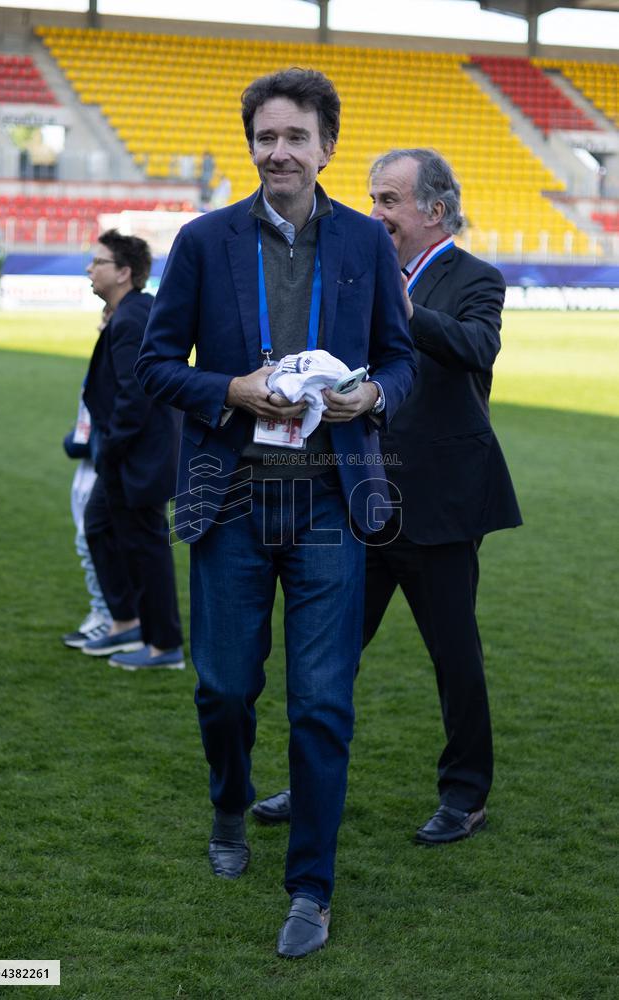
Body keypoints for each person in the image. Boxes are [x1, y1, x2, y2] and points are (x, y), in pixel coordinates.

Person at [135, 69, 415, 958]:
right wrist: (231, 389)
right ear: (250, 144)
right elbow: (153, 365)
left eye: (296, 137)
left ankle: (311, 887)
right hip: (231, 498)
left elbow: (402, 361)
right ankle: (229, 802)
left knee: (322, 703)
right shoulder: (203, 239)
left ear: (327, 146)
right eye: (266, 137)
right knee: (224, 687)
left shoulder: (367, 242)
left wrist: (372, 395)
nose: (280, 152)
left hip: (331, 498)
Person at [252, 148, 522, 846]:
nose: (374, 212)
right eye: (372, 198)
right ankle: (310, 782)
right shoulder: (360, 271)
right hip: (360, 497)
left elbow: (477, 348)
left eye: (389, 200)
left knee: (454, 657)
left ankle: (465, 795)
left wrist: (405, 308)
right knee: (330, 656)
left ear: (436, 211)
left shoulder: (476, 278)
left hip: (441, 505)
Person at [81, 229, 185, 671]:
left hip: (137, 456)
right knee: (100, 525)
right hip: (133, 453)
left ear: (124, 272)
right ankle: (127, 621)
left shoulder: (131, 318)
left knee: (145, 545)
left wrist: (109, 448)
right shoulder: (130, 312)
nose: (90, 269)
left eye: (98, 262)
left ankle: (164, 646)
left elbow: (134, 394)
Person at [60, 306, 112, 650]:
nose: (101, 324)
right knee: (90, 542)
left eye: (107, 318)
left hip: (102, 467)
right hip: (90, 467)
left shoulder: (118, 360)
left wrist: (76, 442)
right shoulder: (103, 360)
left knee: (93, 541)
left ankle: (108, 616)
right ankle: (104, 613)